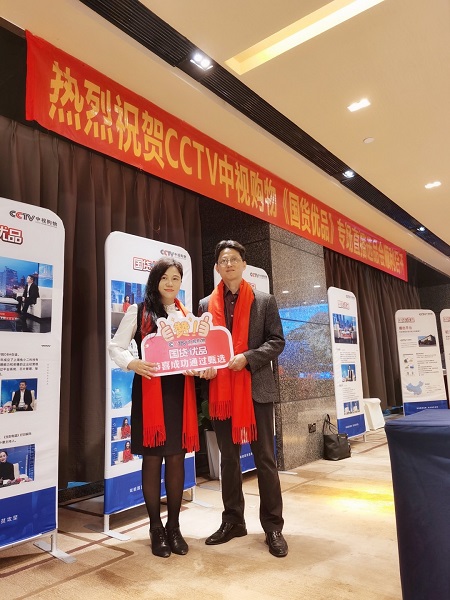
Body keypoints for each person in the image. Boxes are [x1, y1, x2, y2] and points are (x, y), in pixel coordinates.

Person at [109, 257, 207, 558]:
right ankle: (155, 528)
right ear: (155, 280)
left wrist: (198, 366)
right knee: (152, 460)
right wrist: (132, 363)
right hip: (149, 391)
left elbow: (195, 351)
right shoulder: (139, 311)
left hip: (179, 392)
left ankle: (174, 527)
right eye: (165, 277)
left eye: (175, 278)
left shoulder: (187, 315)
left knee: (177, 459)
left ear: (180, 283)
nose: (170, 283)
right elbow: (116, 346)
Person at [198, 240, 288, 558]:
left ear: (244, 264)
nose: (229, 264)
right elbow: (202, 346)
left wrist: (248, 357)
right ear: (217, 267)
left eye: (234, 259)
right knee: (229, 460)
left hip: (256, 391)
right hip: (221, 393)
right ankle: (233, 521)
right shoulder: (205, 305)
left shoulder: (264, 301)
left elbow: (277, 341)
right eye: (223, 260)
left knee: (265, 459)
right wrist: (206, 364)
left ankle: (273, 527)